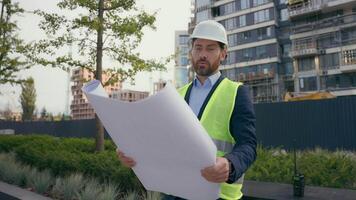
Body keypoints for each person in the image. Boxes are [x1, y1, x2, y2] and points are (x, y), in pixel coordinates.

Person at [117, 20, 257, 200]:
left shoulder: (236, 92)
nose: (203, 54)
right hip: (175, 192)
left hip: (216, 194)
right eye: (198, 48)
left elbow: (248, 145)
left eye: (210, 48)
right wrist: (132, 151)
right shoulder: (176, 95)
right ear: (191, 52)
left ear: (223, 54)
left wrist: (230, 164)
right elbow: (161, 141)